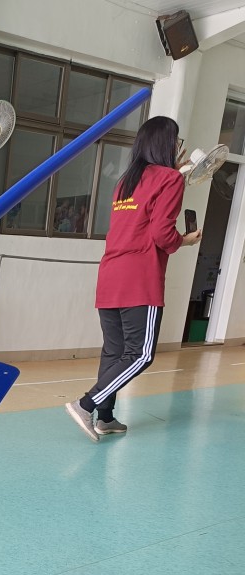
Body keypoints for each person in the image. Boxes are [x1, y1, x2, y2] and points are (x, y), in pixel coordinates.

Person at [65, 116, 202, 441]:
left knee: (114, 352)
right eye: (176, 140)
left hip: (110, 275)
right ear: (167, 143)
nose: (178, 146)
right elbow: (162, 234)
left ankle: (105, 418)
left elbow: (140, 218)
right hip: (140, 278)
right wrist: (185, 240)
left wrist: (173, 172)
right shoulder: (170, 179)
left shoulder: (126, 181)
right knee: (140, 353)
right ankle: (86, 405)